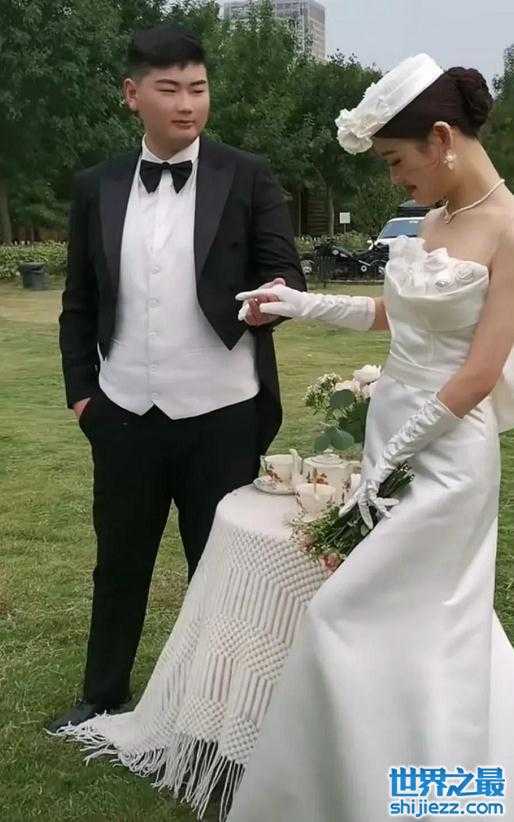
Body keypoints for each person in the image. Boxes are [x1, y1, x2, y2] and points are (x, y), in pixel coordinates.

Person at [228, 54, 514, 821]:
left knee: (346, 616)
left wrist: (391, 456)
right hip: (398, 437)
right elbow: (397, 317)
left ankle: (422, 799)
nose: (393, 178)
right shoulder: (435, 220)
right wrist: (299, 304)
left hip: (450, 460)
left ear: (441, 139)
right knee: (426, 628)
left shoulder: (509, 227)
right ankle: (400, 789)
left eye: (394, 160)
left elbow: (479, 373)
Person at [48, 23, 305, 733]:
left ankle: (216, 709)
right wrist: (83, 396)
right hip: (122, 410)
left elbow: (285, 270)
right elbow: (78, 303)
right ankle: (102, 694)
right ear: (133, 94)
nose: (187, 103)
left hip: (224, 411)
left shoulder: (246, 175)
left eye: (198, 88)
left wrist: (271, 299)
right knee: (118, 562)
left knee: (220, 567)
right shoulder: (96, 186)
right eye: (169, 89)